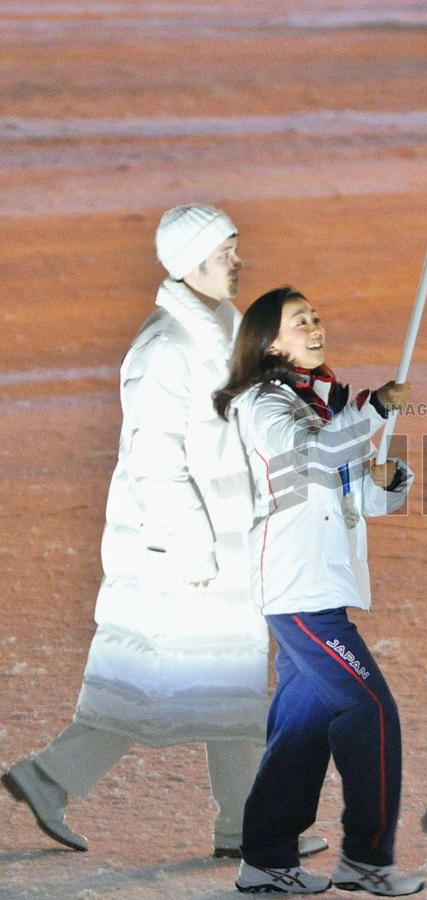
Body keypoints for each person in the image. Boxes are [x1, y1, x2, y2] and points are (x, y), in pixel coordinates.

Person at [2, 206, 326, 861]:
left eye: (236, 249)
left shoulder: (225, 330)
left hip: (223, 537)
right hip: (178, 550)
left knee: (221, 677)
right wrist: (194, 548)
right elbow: (155, 462)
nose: (236, 262)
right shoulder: (164, 348)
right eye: (223, 253)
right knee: (168, 678)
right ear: (188, 263)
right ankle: (234, 822)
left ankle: (237, 822)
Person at [214, 286, 424, 897]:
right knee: (369, 710)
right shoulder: (263, 404)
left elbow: (357, 499)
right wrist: (375, 408)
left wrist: (388, 479)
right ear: (270, 341)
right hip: (297, 589)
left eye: (317, 315)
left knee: (302, 726)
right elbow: (309, 459)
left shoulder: (323, 402)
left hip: (319, 586)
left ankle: (267, 857)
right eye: (298, 319)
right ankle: (365, 856)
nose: (314, 323)